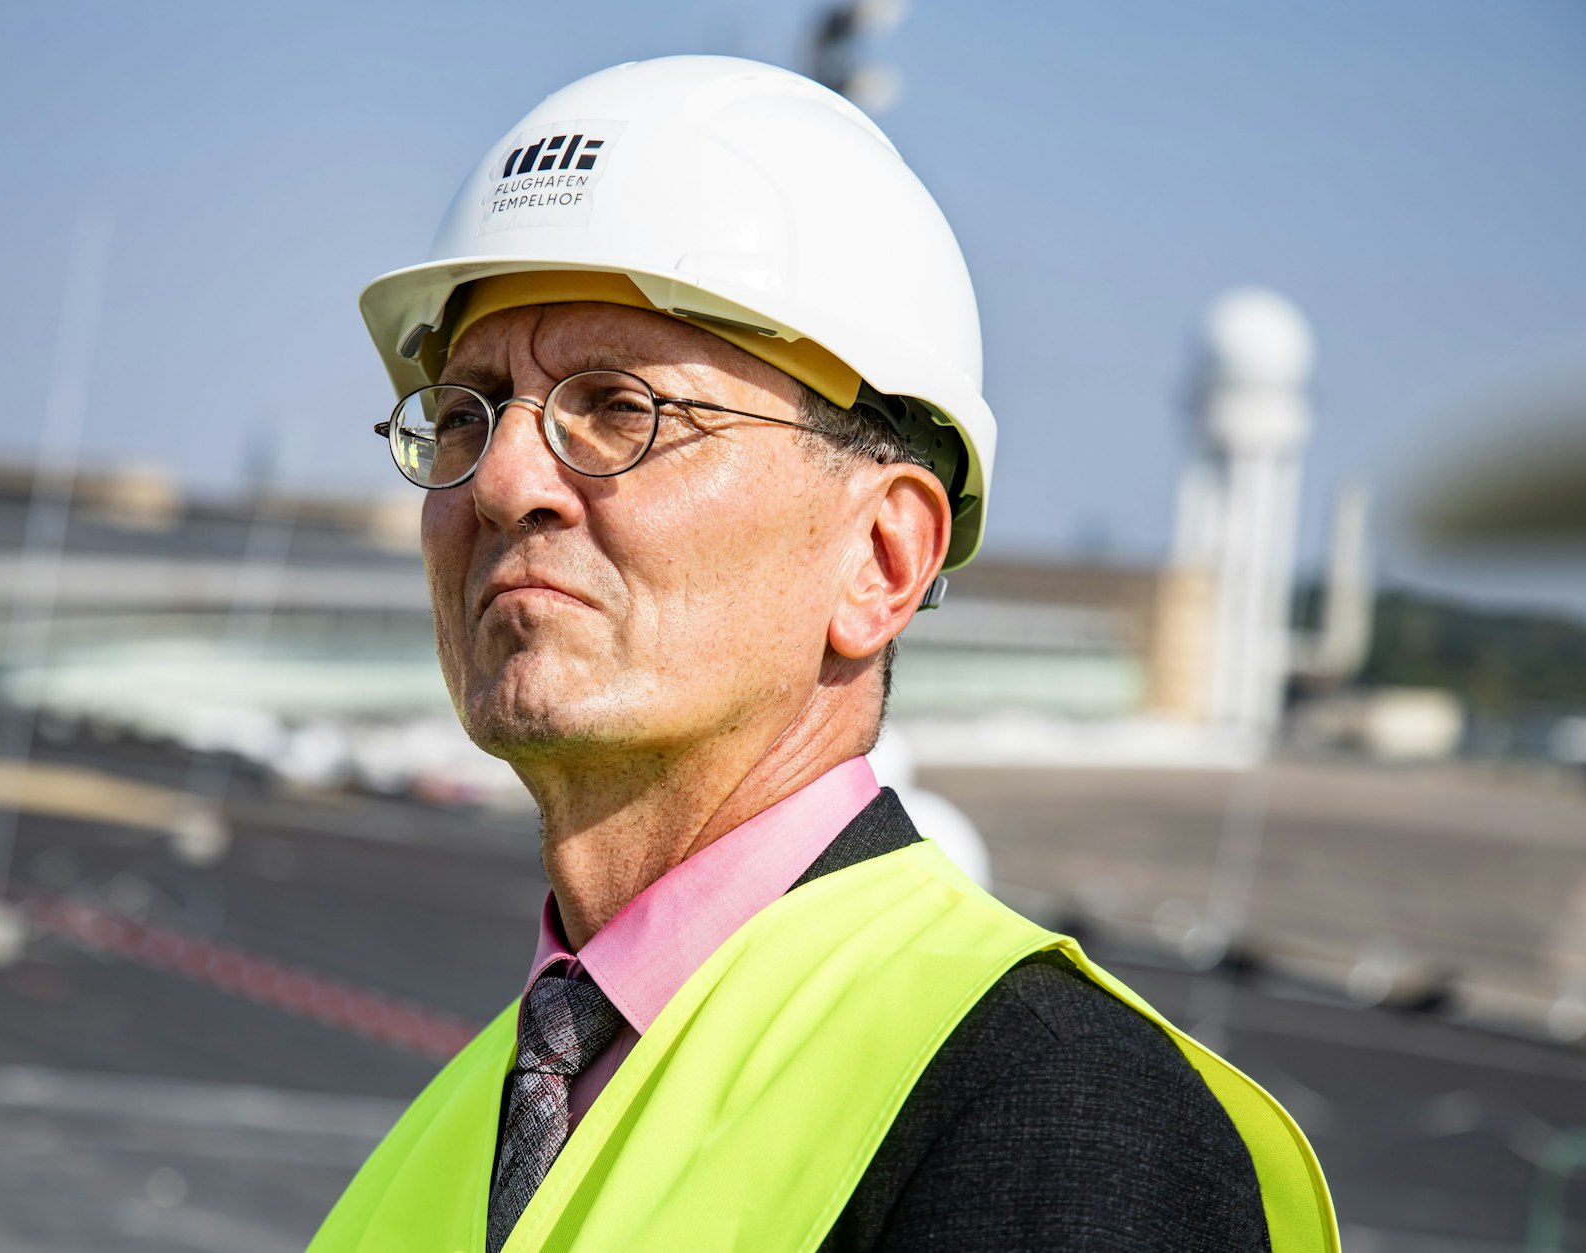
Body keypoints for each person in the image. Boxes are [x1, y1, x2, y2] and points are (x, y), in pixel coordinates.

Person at [311, 56, 1336, 1252]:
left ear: (882, 559)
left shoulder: (1066, 1116)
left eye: (621, 407)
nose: (500, 480)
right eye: (463, 413)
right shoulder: (462, 1117)